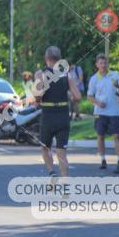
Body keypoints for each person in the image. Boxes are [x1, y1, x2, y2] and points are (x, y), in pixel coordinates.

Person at [32, 46, 81, 177]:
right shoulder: (67, 74)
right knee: (62, 151)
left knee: (45, 147)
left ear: (46, 58)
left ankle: (51, 172)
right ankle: (65, 182)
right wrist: (67, 95)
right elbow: (78, 97)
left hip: (48, 115)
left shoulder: (40, 74)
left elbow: (37, 98)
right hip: (63, 115)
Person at [86, 54, 119, 170]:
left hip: (114, 111)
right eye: (101, 63)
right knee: (100, 135)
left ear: (108, 64)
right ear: (97, 65)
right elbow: (89, 96)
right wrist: (98, 102)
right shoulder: (94, 78)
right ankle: (103, 159)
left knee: (116, 135)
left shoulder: (115, 75)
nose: (103, 65)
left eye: (105, 62)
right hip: (100, 111)